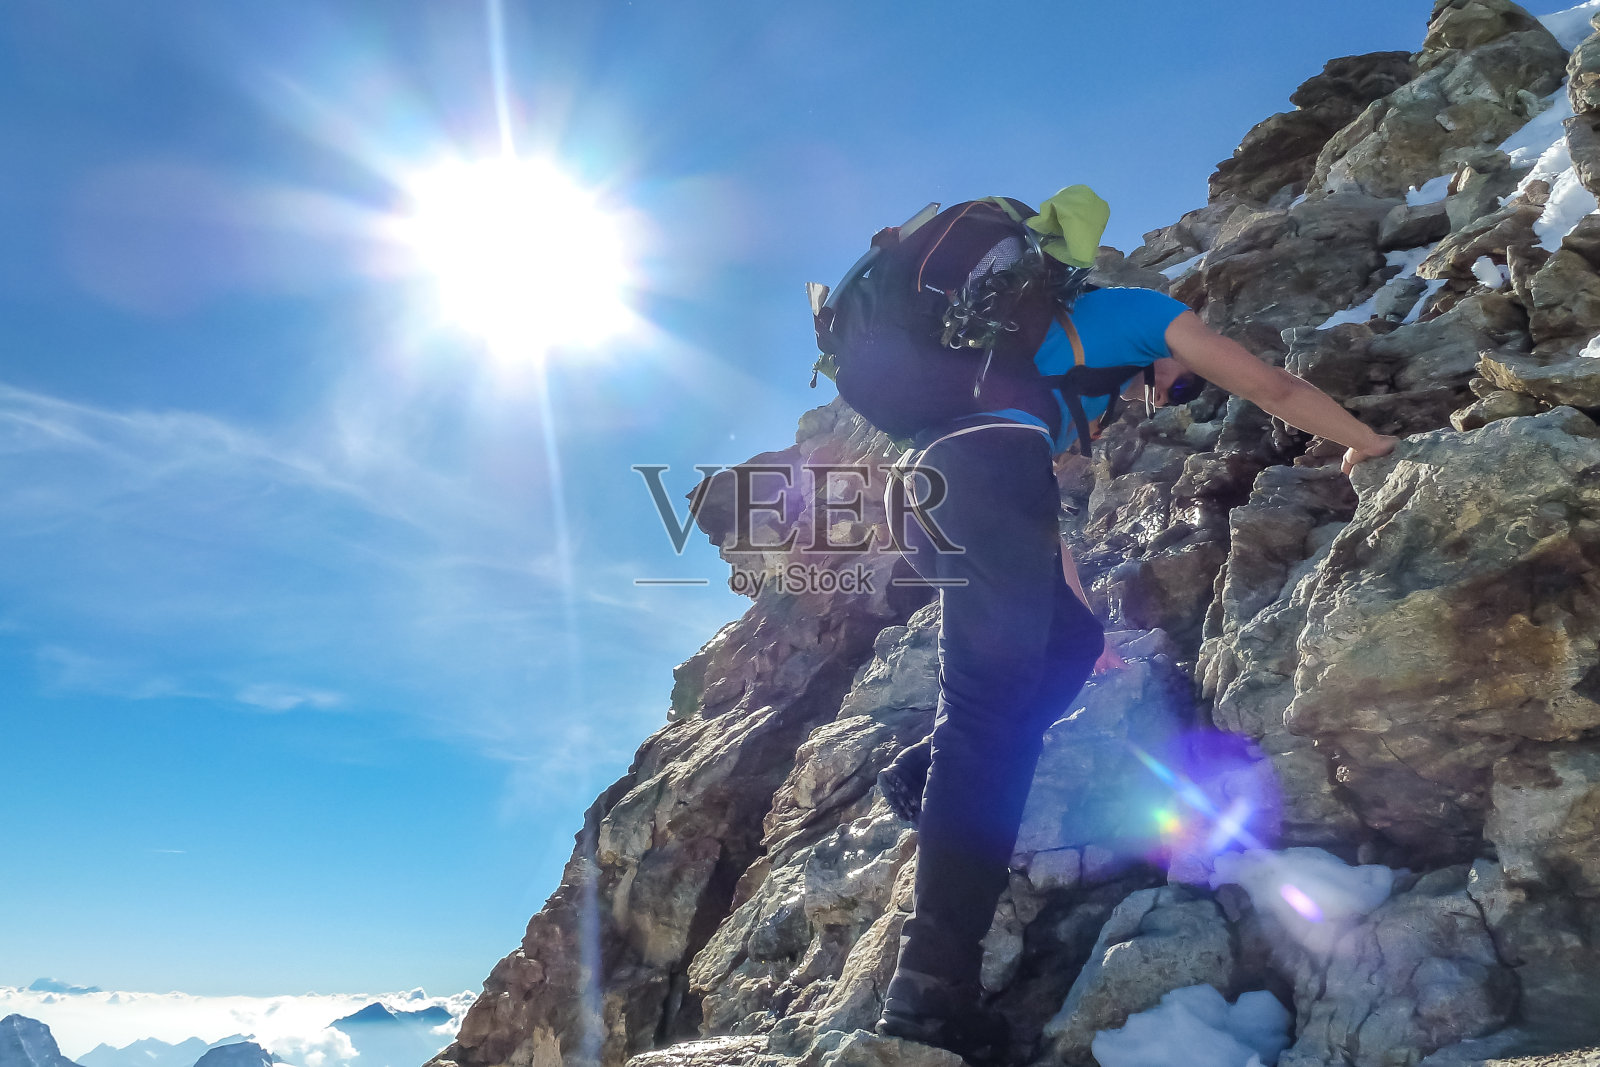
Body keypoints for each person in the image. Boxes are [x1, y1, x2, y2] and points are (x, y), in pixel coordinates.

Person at [871, 282, 1398, 1062]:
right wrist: (1367, 442)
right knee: (983, 721)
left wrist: (1083, 626)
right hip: (980, 479)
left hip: (929, 493)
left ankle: (925, 768)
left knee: (1061, 651)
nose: (1167, 394)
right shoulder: (1143, 315)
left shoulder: (1015, 358)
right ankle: (930, 988)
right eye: (1177, 379)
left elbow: (1032, 515)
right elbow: (1272, 386)